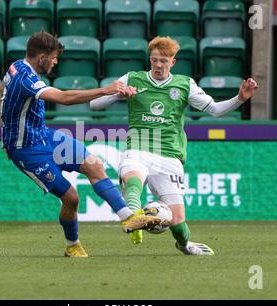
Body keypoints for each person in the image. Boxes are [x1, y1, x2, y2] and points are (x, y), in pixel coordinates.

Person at [0, 31, 161, 258]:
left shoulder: (16, 66)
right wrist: (105, 89)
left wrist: (3, 129)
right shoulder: (25, 78)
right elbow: (64, 99)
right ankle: (72, 245)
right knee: (72, 198)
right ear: (41, 57)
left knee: (94, 164)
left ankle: (128, 218)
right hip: (27, 151)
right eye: (53, 57)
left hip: (45, 136)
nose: (55, 61)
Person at [90, 36, 258, 255]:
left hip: (170, 155)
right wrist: (116, 93)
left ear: (173, 62)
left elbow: (215, 110)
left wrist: (240, 98)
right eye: (155, 60)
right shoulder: (133, 78)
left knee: (177, 221)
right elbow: (94, 104)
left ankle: (184, 245)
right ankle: (132, 218)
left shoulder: (184, 84)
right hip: (138, 148)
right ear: (149, 60)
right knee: (133, 177)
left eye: (164, 61)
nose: (158, 65)